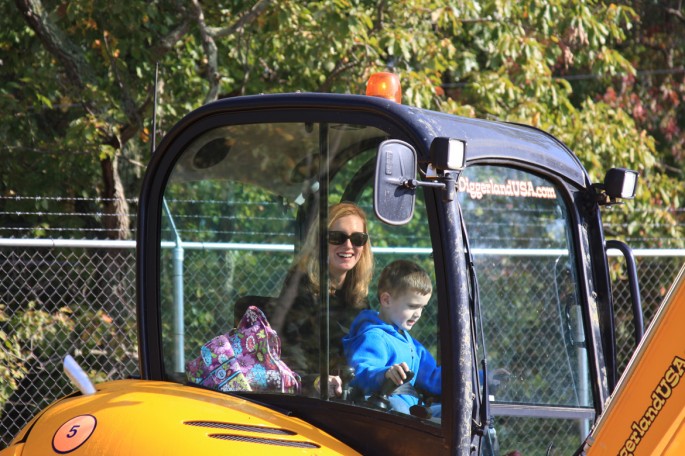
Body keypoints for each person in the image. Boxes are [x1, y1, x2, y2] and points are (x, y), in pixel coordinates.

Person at [270, 202, 374, 397]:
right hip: (311, 399)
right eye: (337, 237)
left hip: (350, 392)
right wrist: (317, 380)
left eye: (357, 239)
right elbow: (285, 353)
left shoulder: (358, 295)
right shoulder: (301, 286)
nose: (348, 246)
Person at [342, 259, 441, 416]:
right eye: (412, 306)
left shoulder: (410, 343)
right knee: (397, 409)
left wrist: (478, 379)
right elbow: (360, 372)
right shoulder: (373, 336)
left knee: (461, 413)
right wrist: (385, 373)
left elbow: (432, 377)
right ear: (386, 300)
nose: (418, 314)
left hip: (413, 409)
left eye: (422, 307)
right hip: (390, 410)